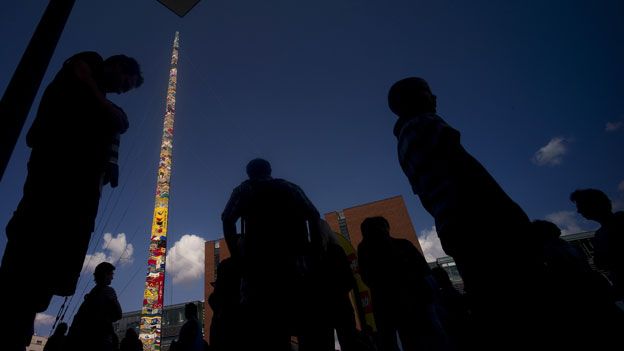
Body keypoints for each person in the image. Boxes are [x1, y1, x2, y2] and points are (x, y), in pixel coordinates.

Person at [0, 51, 142, 350]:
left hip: (77, 201)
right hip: (54, 185)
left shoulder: (101, 102)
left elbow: (119, 123)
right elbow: (84, 78)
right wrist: (105, 108)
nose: (121, 90)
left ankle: (20, 324)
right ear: (116, 66)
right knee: (26, 265)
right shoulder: (89, 63)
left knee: (42, 279)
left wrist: (110, 158)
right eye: (125, 83)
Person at [387, 77, 545, 347]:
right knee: (525, 297)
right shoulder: (426, 123)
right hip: (481, 216)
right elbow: (464, 167)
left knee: (489, 299)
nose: (435, 97)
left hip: (451, 223)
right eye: (427, 92)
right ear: (411, 99)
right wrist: (508, 210)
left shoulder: (402, 144)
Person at [221, 158, 321, 351]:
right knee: (305, 325)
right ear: (270, 170)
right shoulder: (290, 187)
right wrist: (313, 250)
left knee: (268, 331)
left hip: (259, 270)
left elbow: (227, 219)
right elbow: (313, 214)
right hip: (295, 266)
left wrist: (237, 254)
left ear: (249, 173)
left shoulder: (244, 190)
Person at [357, 216, 449, 351]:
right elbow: (425, 272)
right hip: (409, 303)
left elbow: (366, 277)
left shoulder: (366, 250)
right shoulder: (402, 245)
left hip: (392, 304)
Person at [570, 188, 624, 300]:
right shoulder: (599, 235)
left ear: (593, 204)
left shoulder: (613, 226)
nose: (578, 211)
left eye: (580, 205)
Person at [65, 262, 123, 351]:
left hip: (84, 340)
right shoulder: (109, 291)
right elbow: (119, 314)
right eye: (111, 274)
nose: (112, 277)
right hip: (101, 339)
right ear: (105, 274)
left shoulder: (90, 295)